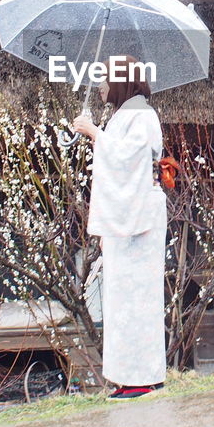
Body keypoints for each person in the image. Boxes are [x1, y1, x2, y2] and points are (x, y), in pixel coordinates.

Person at [71, 55, 166, 399]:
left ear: (121, 81)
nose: (100, 86)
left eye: (105, 79)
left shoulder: (140, 114)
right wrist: (97, 134)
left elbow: (130, 159)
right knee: (124, 297)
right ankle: (132, 376)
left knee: (136, 297)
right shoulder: (128, 114)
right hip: (131, 215)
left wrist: (94, 132)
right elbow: (120, 157)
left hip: (138, 219)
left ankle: (140, 377)